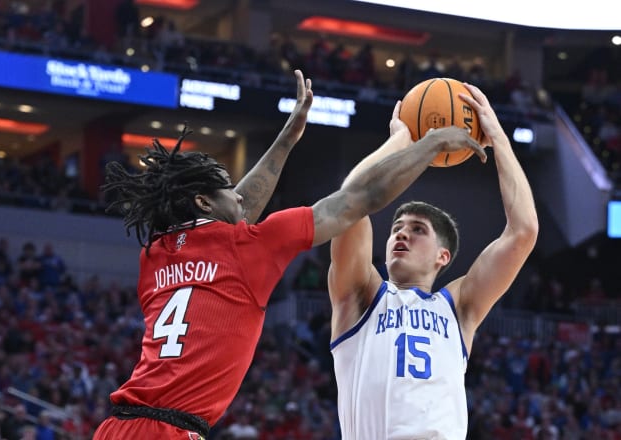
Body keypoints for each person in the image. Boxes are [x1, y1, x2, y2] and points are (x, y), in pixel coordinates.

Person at [92, 69, 485, 440]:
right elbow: (362, 198)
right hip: (169, 431)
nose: (238, 193)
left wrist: (288, 136)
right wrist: (427, 145)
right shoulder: (250, 248)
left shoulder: (157, 255)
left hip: (118, 426)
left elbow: (236, 212)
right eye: (226, 186)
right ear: (203, 202)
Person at [327, 83, 539, 439]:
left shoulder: (458, 308)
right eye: (396, 228)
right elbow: (348, 202)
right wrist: (404, 143)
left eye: (417, 229)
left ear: (444, 256)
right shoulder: (360, 296)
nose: (401, 235)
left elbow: (523, 232)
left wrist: (498, 136)